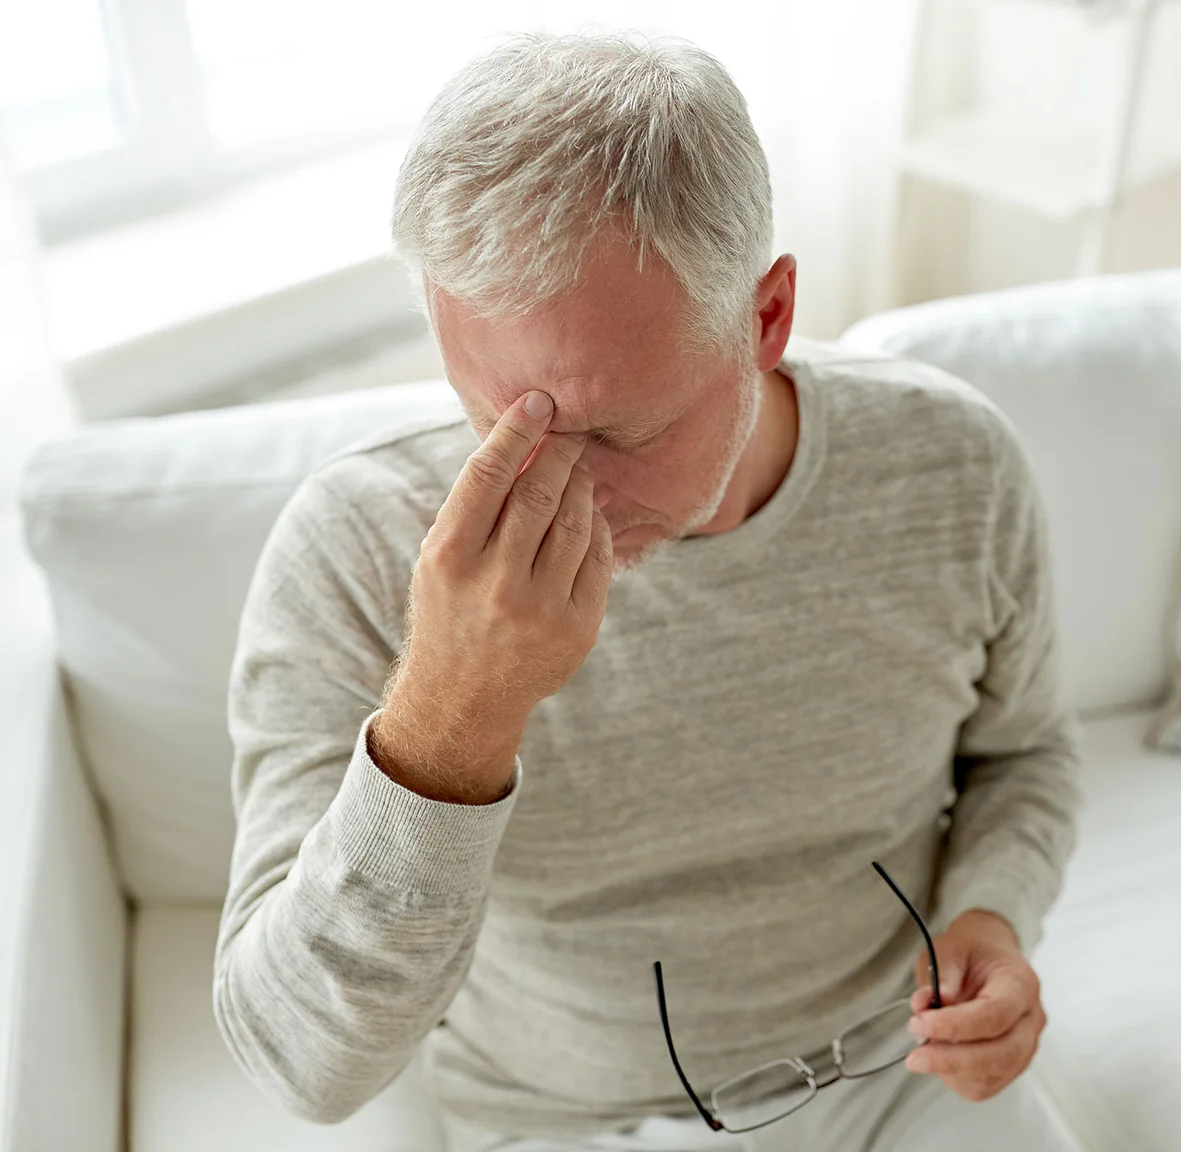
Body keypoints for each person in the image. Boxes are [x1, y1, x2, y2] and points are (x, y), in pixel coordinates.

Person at [215, 30, 1080, 1152]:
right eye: (493, 423)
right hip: (569, 1124)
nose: (550, 496)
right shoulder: (353, 548)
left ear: (765, 319)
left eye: (620, 431)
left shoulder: (952, 466)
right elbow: (302, 1065)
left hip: (896, 1074)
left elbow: (1026, 752)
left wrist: (994, 914)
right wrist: (452, 716)